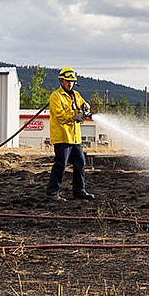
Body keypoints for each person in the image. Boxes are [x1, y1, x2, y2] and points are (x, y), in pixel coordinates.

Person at [45, 67, 95, 202]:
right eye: (67, 81)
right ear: (61, 81)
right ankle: (52, 192)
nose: (70, 83)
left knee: (80, 162)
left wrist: (86, 108)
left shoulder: (76, 95)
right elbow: (60, 115)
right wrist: (75, 116)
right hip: (62, 137)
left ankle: (79, 191)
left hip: (75, 137)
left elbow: (84, 106)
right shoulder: (56, 96)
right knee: (60, 164)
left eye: (72, 81)